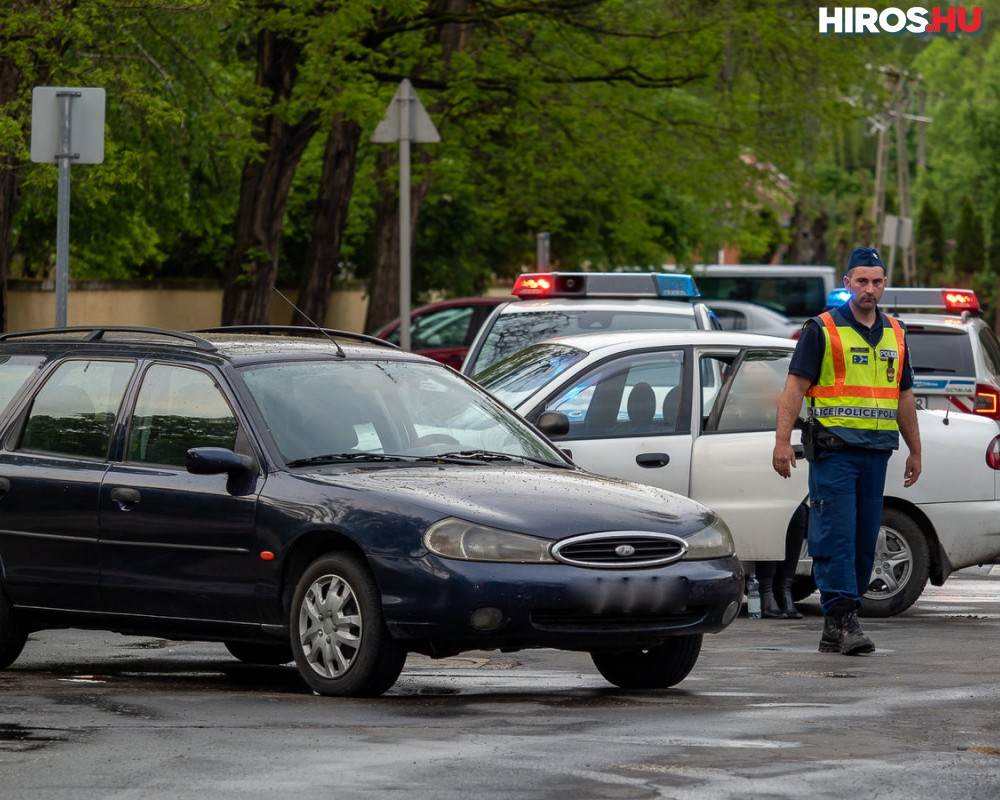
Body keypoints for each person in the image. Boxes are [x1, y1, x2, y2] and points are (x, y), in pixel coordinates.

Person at [771, 246, 922, 654]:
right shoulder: (822, 329)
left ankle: (835, 625)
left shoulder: (896, 331)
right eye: (861, 281)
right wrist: (782, 441)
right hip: (835, 451)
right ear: (847, 284)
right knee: (835, 537)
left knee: (862, 540)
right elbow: (794, 390)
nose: (869, 289)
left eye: (876, 281)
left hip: (876, 451)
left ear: (884, 284)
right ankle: (843, 618)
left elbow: (904, 396)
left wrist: (915, 450)